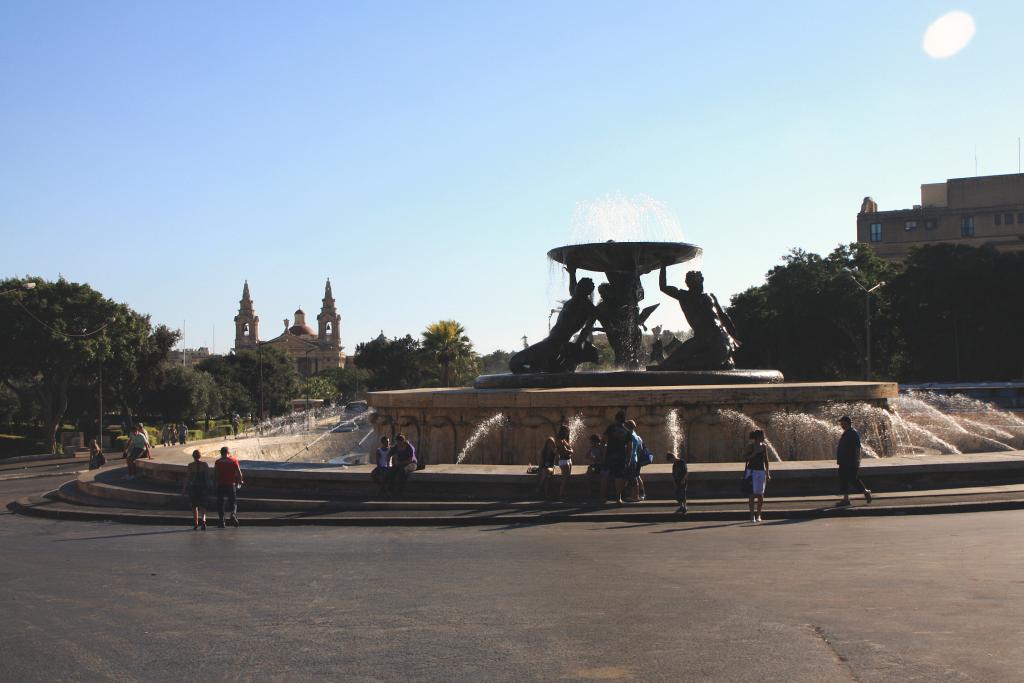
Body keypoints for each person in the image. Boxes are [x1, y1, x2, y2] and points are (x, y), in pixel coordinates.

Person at [837, 416, 872, 506]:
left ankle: (866, 492)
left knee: (853, 479)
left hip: (851, 461)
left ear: (847, 423)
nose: (841, 425)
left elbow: (857, 448)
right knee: (843, 480)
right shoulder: (846, 433)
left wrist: (857, 460)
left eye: (842, 423)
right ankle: (846, 499)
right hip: (843, 461)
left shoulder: (853, 433)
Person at [603, 411, 632, 505]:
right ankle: (618, 497)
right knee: (619, 476)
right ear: (624, 420)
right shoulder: (627, 431)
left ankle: (603, 496)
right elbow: (629, 447)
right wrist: (629, 459)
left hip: (610, 455)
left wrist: (603, 451)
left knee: (607, 474)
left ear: (615, 419)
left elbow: (603, 440)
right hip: (621, 455)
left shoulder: (611, 428)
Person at [213, 445, 244, 528]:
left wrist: (215, 483)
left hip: (221, 484)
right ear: (228, 452)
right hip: (231, 485)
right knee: (233, 502)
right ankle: (233, 514)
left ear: (221, 453)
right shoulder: (234, 460)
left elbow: (216, 474)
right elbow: (239, 472)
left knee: (220, 503)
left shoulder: (218, 462)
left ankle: (222, 521)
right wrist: (240, 481)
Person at [744, 429, 770, 522]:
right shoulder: (750, 446)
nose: (764, 437)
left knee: (760, 494)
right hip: (752, 472)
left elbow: (766, 460)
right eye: (763, 436)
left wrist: (768, 472)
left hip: (761, 472)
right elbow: (745, 458)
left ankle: (758, 514)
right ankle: (752, 515)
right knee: (751, 494)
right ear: (758, 437)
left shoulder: (764, 446)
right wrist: (754, 453)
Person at [181, 449, 210, 530]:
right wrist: (209, 487)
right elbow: (207, 477)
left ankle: (196, 523)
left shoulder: (190, 466)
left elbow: (187, 478)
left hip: (193, 488)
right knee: (203, 505)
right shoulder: (204, 465)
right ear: (200, 456)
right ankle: (203, 520)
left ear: (193, 457)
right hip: (203, 487)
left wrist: (184, 489)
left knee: (194, 506)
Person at [625, 420, 648, 501]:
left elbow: (629, 448)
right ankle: (641, 494)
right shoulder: (636, 435)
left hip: (631, 459)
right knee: (636, 476)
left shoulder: (630, 435)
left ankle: (635, 496)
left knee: (633, 478)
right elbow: (640, 448)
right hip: (636, 458)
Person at [584, 434, 605, 503]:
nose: (591, 443)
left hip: (600, 466)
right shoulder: (592, 448)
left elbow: (603, 458)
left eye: (592, 442)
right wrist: (590, 454)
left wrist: (596, 459)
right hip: (594, 466)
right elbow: (586, 456)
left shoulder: (601, 447)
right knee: (589, 473)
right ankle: (589, 493)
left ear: (596, 441)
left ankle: (602, 495)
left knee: (603, 476)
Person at [556, 424, 573, 500]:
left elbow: (570, 449)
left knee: (568, 478)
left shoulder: (564, 440)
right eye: (567, 431)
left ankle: (565, 494)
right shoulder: (559, 440)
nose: (568, 432)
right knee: (565, 479)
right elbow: (565, 451)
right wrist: (570, 451)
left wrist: (570, 451)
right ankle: (561, 495)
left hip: (568, 460)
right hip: (563, 461)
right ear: (563, 431)